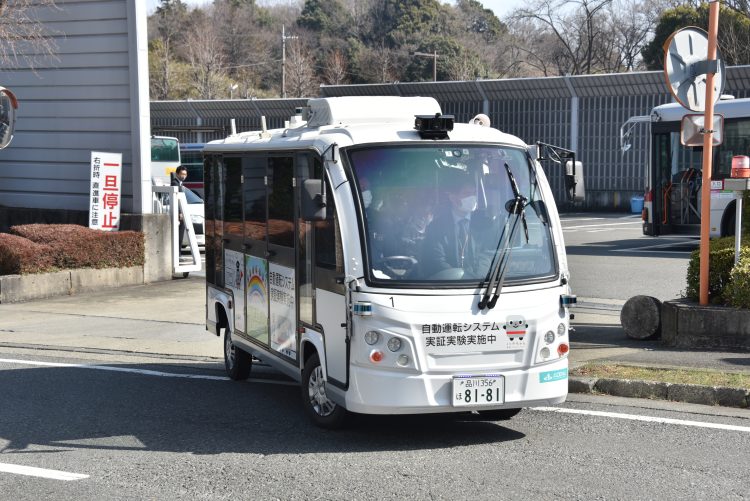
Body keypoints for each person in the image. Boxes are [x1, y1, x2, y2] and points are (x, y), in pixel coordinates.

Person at [421, 172, 491, 279]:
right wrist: (460, 280)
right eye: (467, 194)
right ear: (453, 198)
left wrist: (477, 278)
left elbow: (486, 255)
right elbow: (437, 261)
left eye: (474, 193)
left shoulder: (483, 224)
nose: (472, 197)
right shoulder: (436, 227)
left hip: (479, 285)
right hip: (450, 286)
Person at [171, 165, 188, 248]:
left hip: (180, 213)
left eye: (185, 174)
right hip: (178, 214)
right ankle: (178, 254)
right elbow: (176, 200)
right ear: (177, 174)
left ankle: (179, 253)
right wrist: (180, 212)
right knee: (179, 234)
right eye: (182, 174)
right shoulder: (175, 183)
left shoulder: (180, 183)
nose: (183, 176)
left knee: (180, 234)